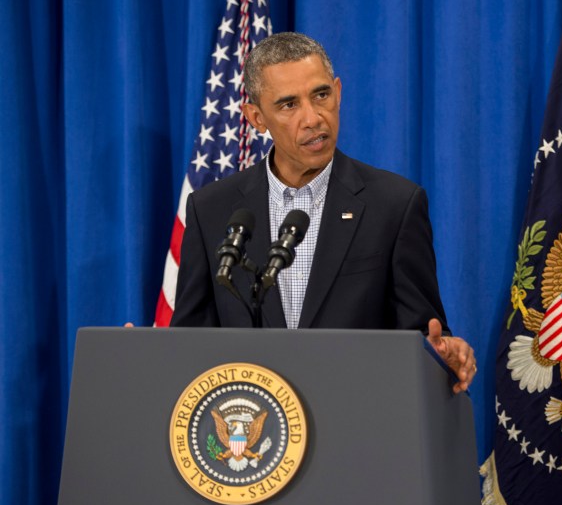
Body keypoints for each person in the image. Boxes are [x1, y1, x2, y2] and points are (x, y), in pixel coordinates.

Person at [171, 32, 476, 393]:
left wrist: (443, 354)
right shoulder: (212, 210)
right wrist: (144, 358)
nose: (313, 118)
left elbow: (423, 335)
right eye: (288, 105)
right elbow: (190, 341)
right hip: (252, 431)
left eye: (321, 95)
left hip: (356, 424)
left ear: (338, 91)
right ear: (256, 117)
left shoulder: (394, 204)